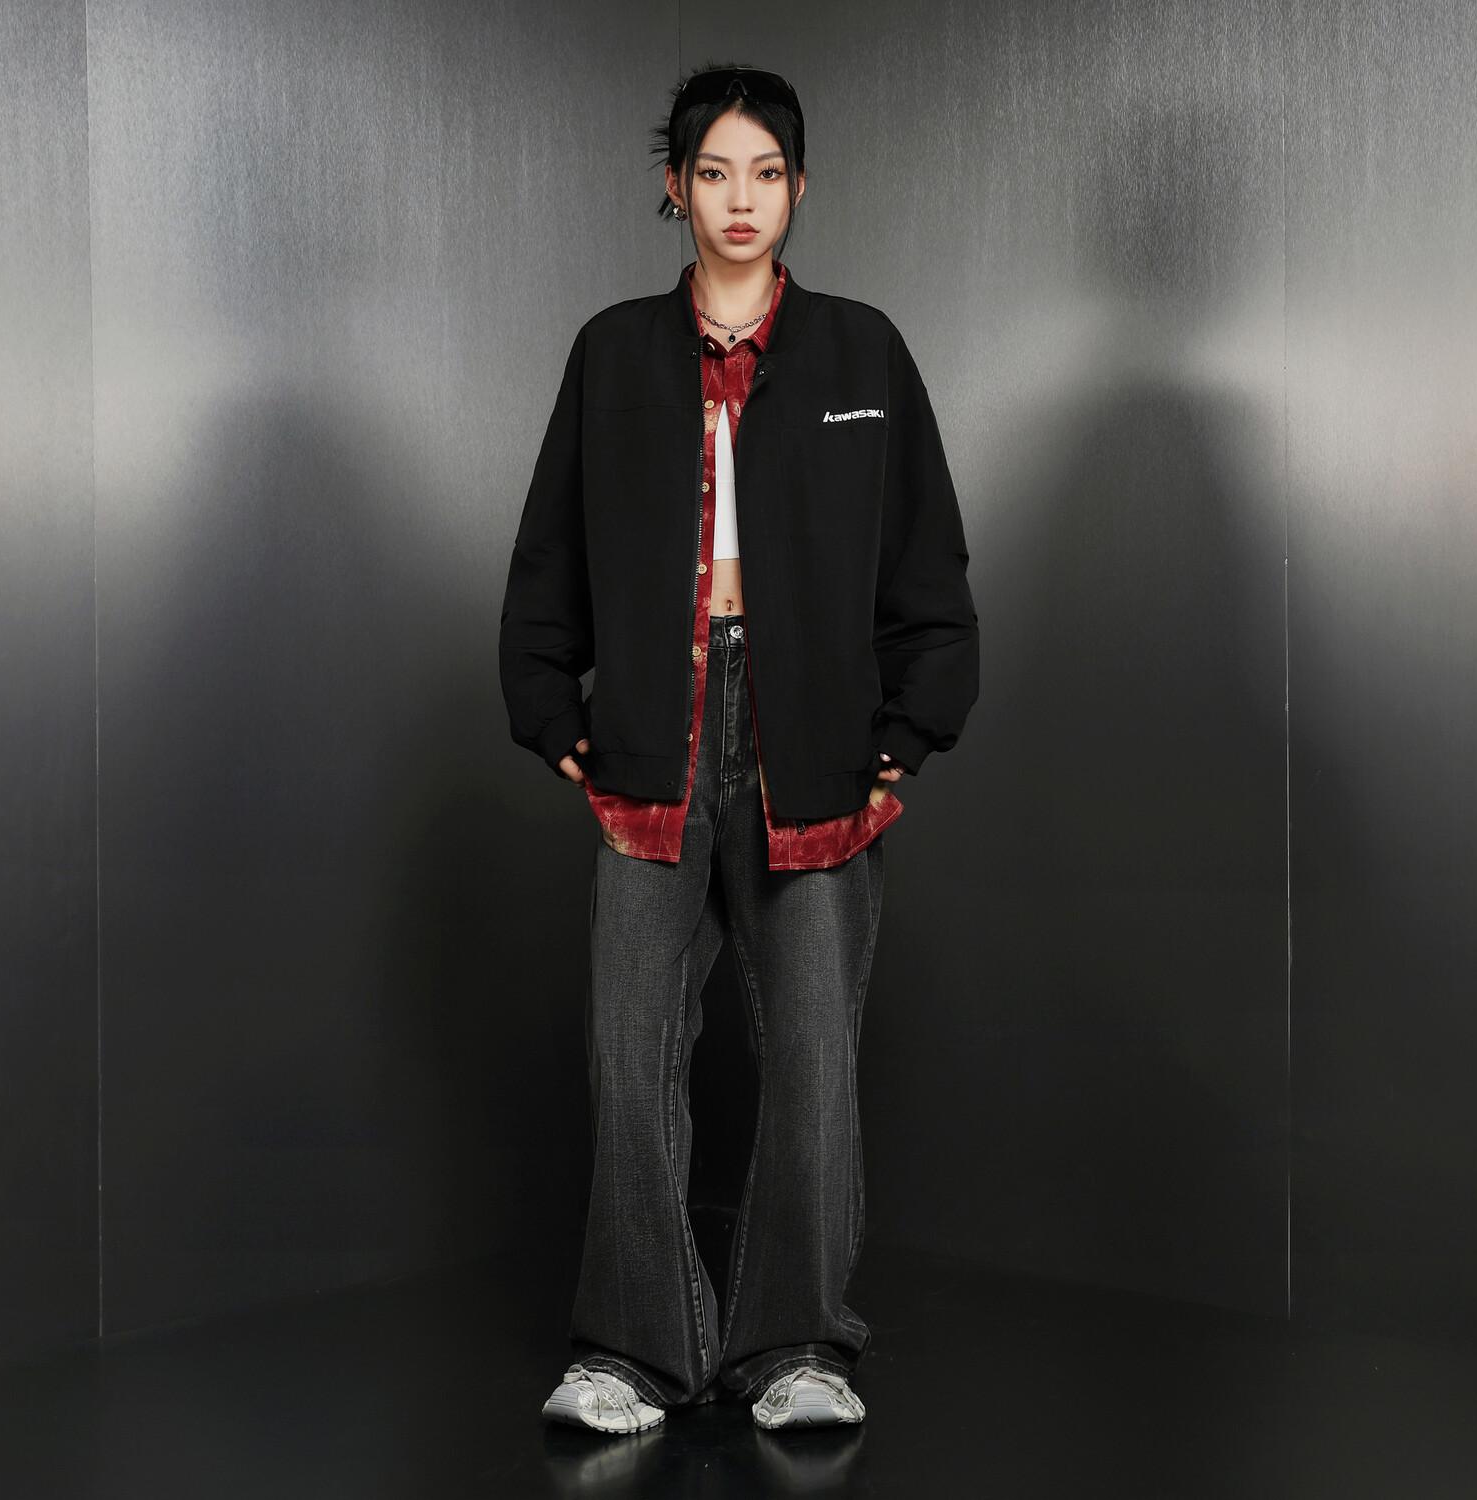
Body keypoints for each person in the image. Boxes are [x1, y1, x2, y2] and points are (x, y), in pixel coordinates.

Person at [499, 62, 979, 1435]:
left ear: (799, 187)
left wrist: (908, 733)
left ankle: (797, 1347)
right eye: (714, 172)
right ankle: (633, 1352)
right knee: (629, 1052)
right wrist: (554, 714)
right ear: (676, 188)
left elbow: (928, 557)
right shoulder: (612, 354)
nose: (741, 199)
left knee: (813, 1060)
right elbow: (549, 553)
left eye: (766, 172)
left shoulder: (862, 353)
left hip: (810, 733)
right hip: (655, 729)